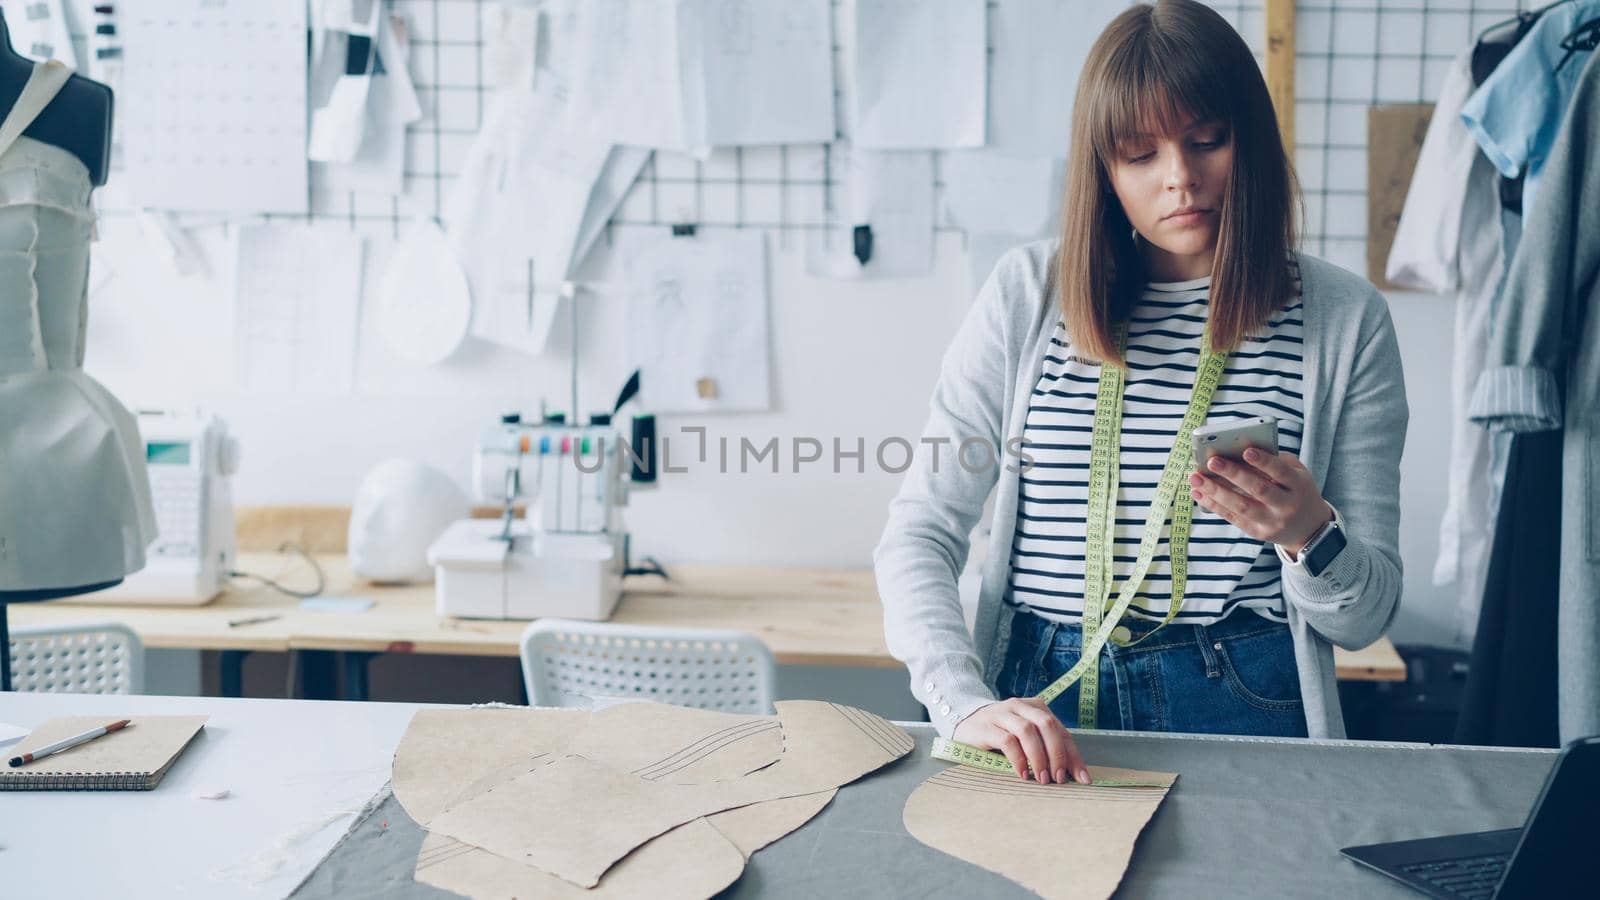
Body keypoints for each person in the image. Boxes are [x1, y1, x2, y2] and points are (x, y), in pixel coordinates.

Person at [874, 0, 1407, 786]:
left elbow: (1365, 619)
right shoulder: (1029, 294)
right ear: (1103, 170)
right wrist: (960, 700)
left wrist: (1309, 533)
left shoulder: (1343, 320)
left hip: (1244, 697)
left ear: (1249, 139)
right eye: (1139, 155)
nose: (1180, 178)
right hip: (1033, 698)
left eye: (1206, 141)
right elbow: (920, 529)